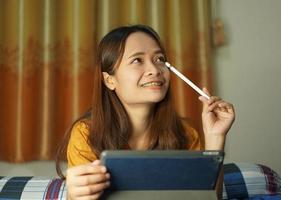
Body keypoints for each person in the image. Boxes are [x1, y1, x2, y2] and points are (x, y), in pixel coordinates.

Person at [55, 24, 235, 200]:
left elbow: (205, 196)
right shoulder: (86, 133)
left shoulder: (186, 133)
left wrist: (215, 137)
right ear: (110, 80)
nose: (155, 70)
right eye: (137, 60)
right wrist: (74, 196)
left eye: (159, 59)